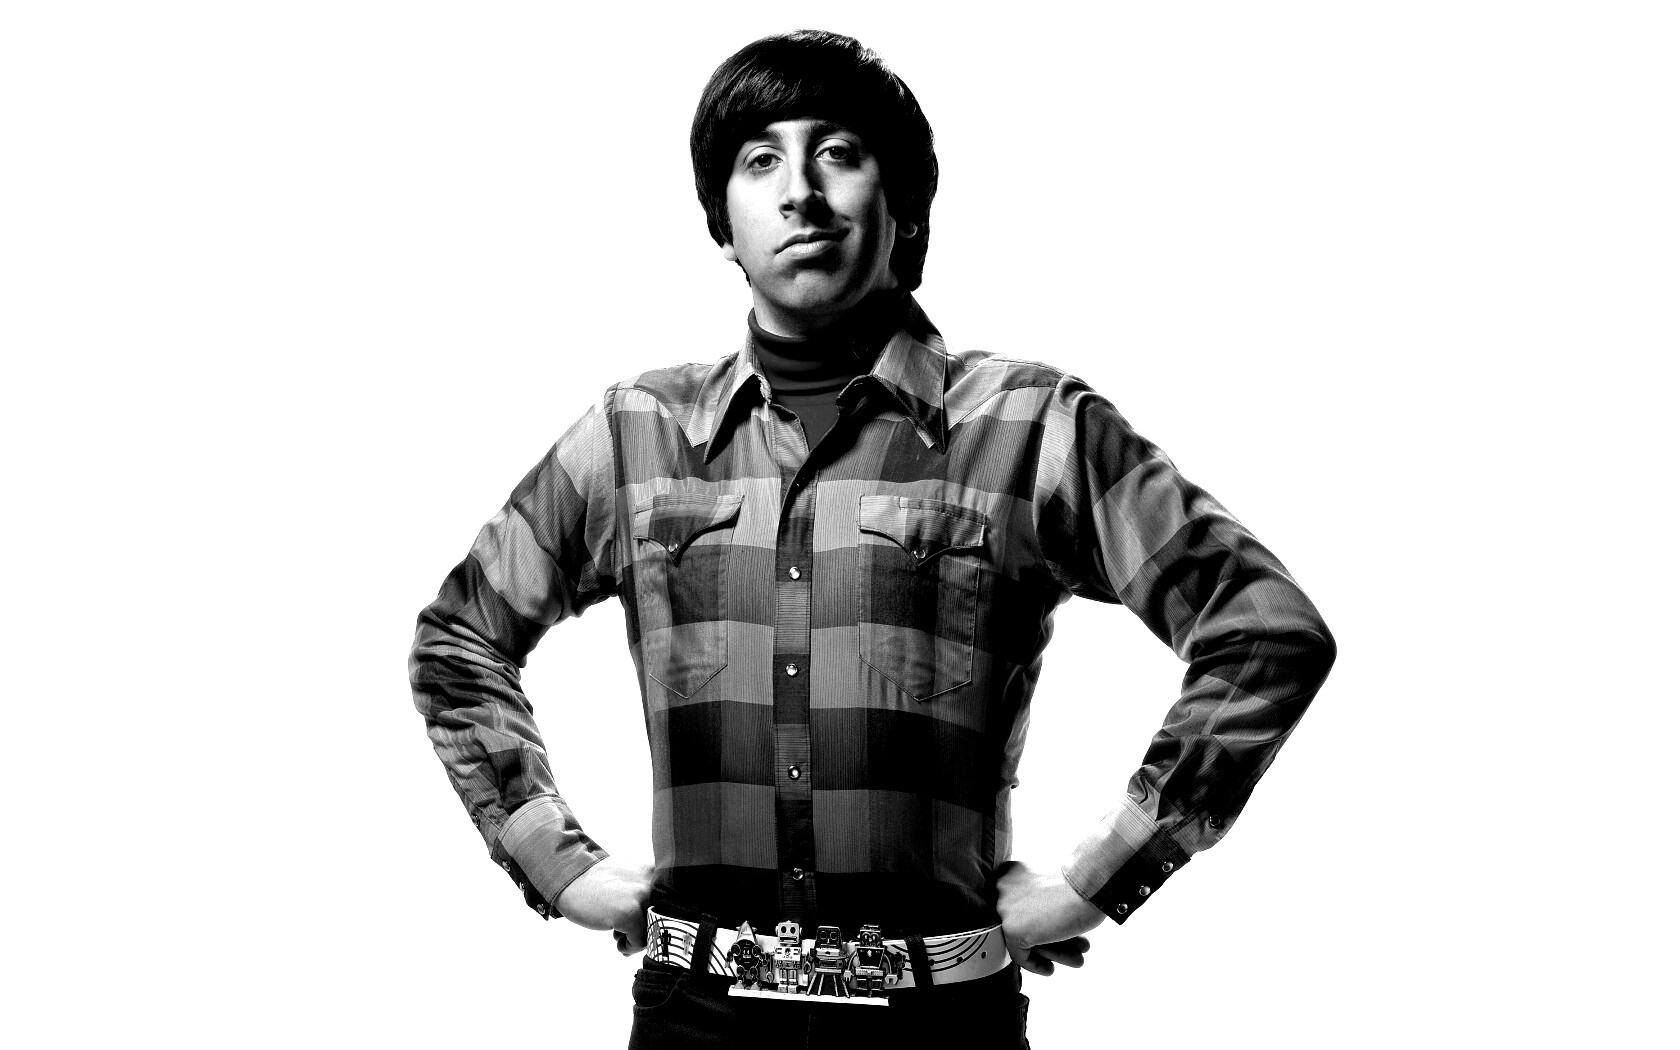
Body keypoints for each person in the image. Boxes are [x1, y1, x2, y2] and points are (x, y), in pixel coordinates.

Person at [409, 29, 1335, 1048]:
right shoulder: (637, 434)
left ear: (905, 207)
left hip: (939, 1026)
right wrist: (557, 863)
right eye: (760, 160)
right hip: (694, 1023)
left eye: (839, 153)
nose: (800, 192)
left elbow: (1265, 630)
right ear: (722, 221)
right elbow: (460, 640)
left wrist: (1100, 876)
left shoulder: (1029, 426)